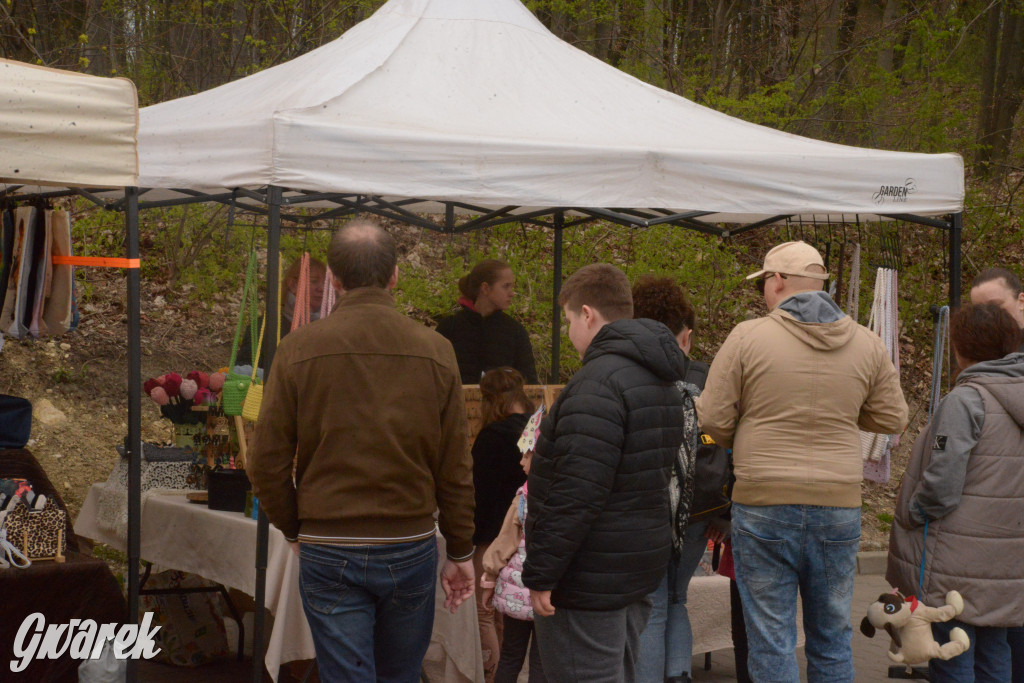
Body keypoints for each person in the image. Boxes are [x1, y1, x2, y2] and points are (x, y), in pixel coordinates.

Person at [247, 220, 476, 682]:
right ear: (395, 276)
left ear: (333, 278)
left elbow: (265, 462)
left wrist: (294, 528)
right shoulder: (436, 350)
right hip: (408, 539)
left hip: (330, 543)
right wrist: (461, 548)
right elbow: (454, 464)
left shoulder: (297, 349)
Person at [696, 241, 908, 682]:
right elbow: (893, 418)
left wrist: (746, 431)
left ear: (777, 281)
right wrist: (845, 414)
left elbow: (712, 419)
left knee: (771, 640)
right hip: (838, 505)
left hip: (763, 501)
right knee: (831, 638)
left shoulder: (747, 337)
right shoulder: (867, 343)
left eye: (764, 282)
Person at [523, 263, 689, 682]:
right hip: (634, 565)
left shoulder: (597, 385)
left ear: (587, 314)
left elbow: (576, 492)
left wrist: (542, 571)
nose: (568, 333)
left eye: (567, 321)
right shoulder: (659, 379)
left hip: (589, 577)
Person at [887, 302, 1024, 683]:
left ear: (960, 348)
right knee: (995, 650)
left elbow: (942, 486)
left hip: (956, 559)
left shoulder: (966, 400)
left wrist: (914, 511)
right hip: (1008, 560)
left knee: (952, 651)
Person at [631, 275, 725, 683]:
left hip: (648, 511)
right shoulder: (708, 377)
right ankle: (678, 675)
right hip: (700, 510)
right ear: (685, 334)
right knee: (676, 599)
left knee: (652, 604)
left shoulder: (629, 372)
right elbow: (730, 443)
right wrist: (724, 513)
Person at [472, 367, 535, 682]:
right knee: (506, 614)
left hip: (493, 538)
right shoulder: (536, 429)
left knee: (484, 612)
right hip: (527, 539)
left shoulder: (491, 437)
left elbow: (477, 493)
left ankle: (492, 676)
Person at [479, 414, 547, 683]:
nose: (521, 461)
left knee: (510, 656)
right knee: (542, 662)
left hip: (516, 594)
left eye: (527, 455)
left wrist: (489, 579)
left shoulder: (523, 499)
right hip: (547, 594)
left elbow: (503, 544)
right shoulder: (565, 499)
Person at [436, 259, 539, 384]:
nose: (512, 293)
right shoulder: (449, 327)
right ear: (485, 288)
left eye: (512, 286)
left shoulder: (515, 332)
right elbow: (435, 377)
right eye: (506, 286)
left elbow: (530, 384)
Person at [236, 255, 329, 367]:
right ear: (293, 285)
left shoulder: (329, 327)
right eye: (314, 281)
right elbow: (242, 369)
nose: (321, 288)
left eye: (325, 283)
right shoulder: (265, 328)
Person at [971, 267, 1024, 351]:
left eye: (995, 305)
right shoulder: (975, 349)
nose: (986, 313)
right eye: (979, 309)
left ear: (1021, 301)